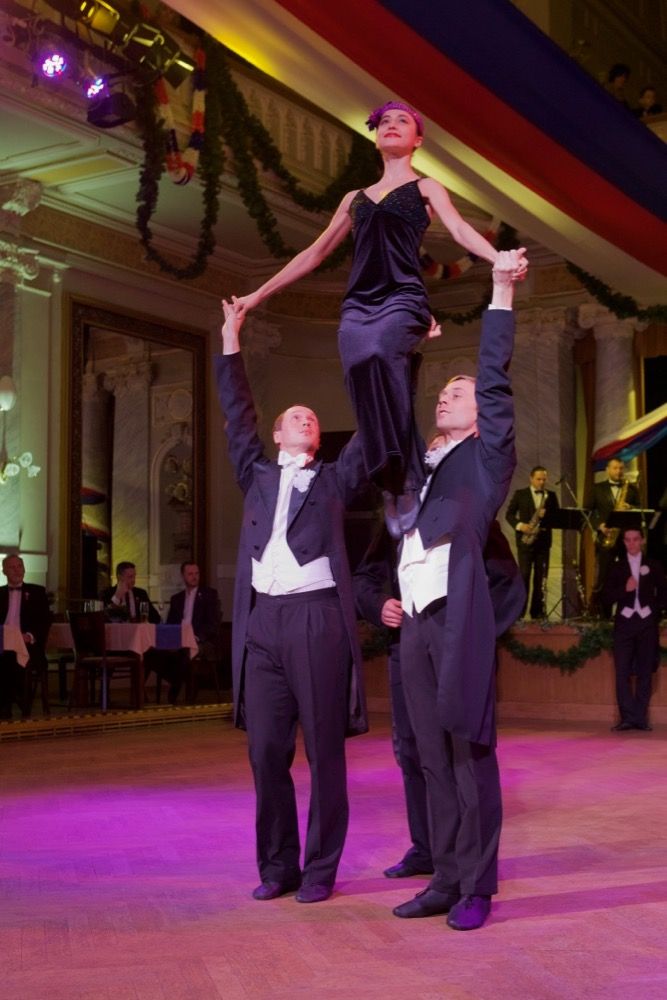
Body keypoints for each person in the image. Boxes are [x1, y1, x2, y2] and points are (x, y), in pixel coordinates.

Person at [229, 100, 526, 528]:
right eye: (384, 121)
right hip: (359, 303)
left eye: (402, 121)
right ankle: (391, 478)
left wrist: (501, 259)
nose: (391, 125)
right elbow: (314, 253)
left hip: (403, 297)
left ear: (417, 140)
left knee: (380, 355)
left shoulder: (426, 188)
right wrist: (258, 294)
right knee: (359, 371)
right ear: (376, 137)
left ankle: (404, 477)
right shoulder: (354, 199)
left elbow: (461, 229)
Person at [386, 248, 524, 931]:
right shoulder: (425, 465)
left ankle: (476, 886)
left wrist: (500, 291)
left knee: (468, 751)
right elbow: (393, 417)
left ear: (479, 415)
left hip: (456, 617)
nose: (446, 396)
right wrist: (411, 355)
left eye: (457, 392)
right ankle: (443, 877)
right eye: (442, 391)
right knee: (429, 754)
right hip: (415, 624)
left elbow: (495, 379)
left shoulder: (487, 455)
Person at [215, 299, 368, 905]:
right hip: (263, 622)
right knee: (265, 752)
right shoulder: (255, 473)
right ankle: (278, 866)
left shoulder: (335, 479)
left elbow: (376, 429)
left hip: (316, 618)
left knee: (325, 751)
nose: (305, 416)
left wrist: (394, 357)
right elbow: (236, 413)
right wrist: (231, 339)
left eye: (311, 416)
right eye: (293, 415)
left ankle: (321, 867)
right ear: (277, 434)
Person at [353, 514, 524, 882]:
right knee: (413, 751)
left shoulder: (469, 513)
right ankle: (427, 849)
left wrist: (475, 632)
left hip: (457, 649)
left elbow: (508, 583)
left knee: (463, 754)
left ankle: (464, 862)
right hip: (405, 647)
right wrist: (378, 604)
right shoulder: (398, 519)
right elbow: (364, 578)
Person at [602, 527, 667, 732]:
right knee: (622, 672)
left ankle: (640, 718)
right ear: (623, 542)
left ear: (642, 541)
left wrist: (655, 612)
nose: (632, 543)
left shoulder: (653, 565)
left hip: (647, 624)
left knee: (645, 672)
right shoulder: (617, 567)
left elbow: (664, 593)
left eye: (635, 539)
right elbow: (605, 597)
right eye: (628, 540)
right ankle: (627, 718)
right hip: (624, 624)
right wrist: (625, 589)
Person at [162, 562, 222, 703]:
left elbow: (213, 624)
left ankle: (180, 692)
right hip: (179, 639)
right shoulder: (176, 599)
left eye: (197, 573)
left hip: (203, 641)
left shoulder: (209, 595)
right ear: (183, 576)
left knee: (186, 650)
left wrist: (196, 637)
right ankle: (143, 695)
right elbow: (171, 624)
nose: (194, 577)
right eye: (190, 574)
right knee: (156, 653)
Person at [505, 465, 560, 619]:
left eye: (544, 479)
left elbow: (557, 518)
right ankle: (519, 613)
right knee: (524, 576)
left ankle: (537, 612)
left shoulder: (551, 496)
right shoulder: (520, 494)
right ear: (531, 478)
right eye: (538, 479)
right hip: (525, 542)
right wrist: (520, 525)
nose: (541, 482)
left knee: (541, 578)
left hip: (543, 542)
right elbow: (509, 515)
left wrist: (547, 515)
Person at [0, 554, 51, 719]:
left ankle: (11, 701)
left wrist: (30, 636)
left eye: (20, 566)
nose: (17, 571)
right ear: (4, 571)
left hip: (28, 645)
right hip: (3, 643)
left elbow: (44, 621)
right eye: (12, 567)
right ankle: (11, 700)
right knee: (5, 654)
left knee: (11, 656)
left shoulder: (37, 592)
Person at [588, 458, 641, 618]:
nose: (619, 471)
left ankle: (626, 612)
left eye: (621, 468)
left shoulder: (632, 489)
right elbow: (588, 512)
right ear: (607, 470)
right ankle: (605, 614)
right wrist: (599, 525)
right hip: (607, 537)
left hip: (626, 540)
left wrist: (630, 508)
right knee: (605, 577)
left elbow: (640, 511)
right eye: (615, 468)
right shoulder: (597, 488)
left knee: (628, 575)